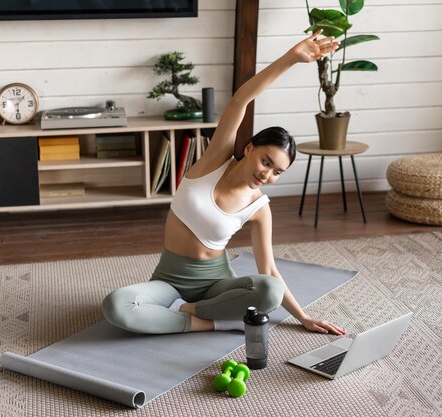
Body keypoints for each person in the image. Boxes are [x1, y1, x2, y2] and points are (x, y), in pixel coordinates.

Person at [102, 30, 346, 336]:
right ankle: (209, 322)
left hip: (218, 285)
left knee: (269, 290)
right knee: (116, 306)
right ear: (248, 149)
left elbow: (268, 271)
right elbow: (241, 99)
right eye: (266, 162)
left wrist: (304, 318)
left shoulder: (259, 207)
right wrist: (291, 58)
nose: (267, 174)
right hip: (168, 282)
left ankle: (189, 314)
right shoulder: (215, 160)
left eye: (277, 172)